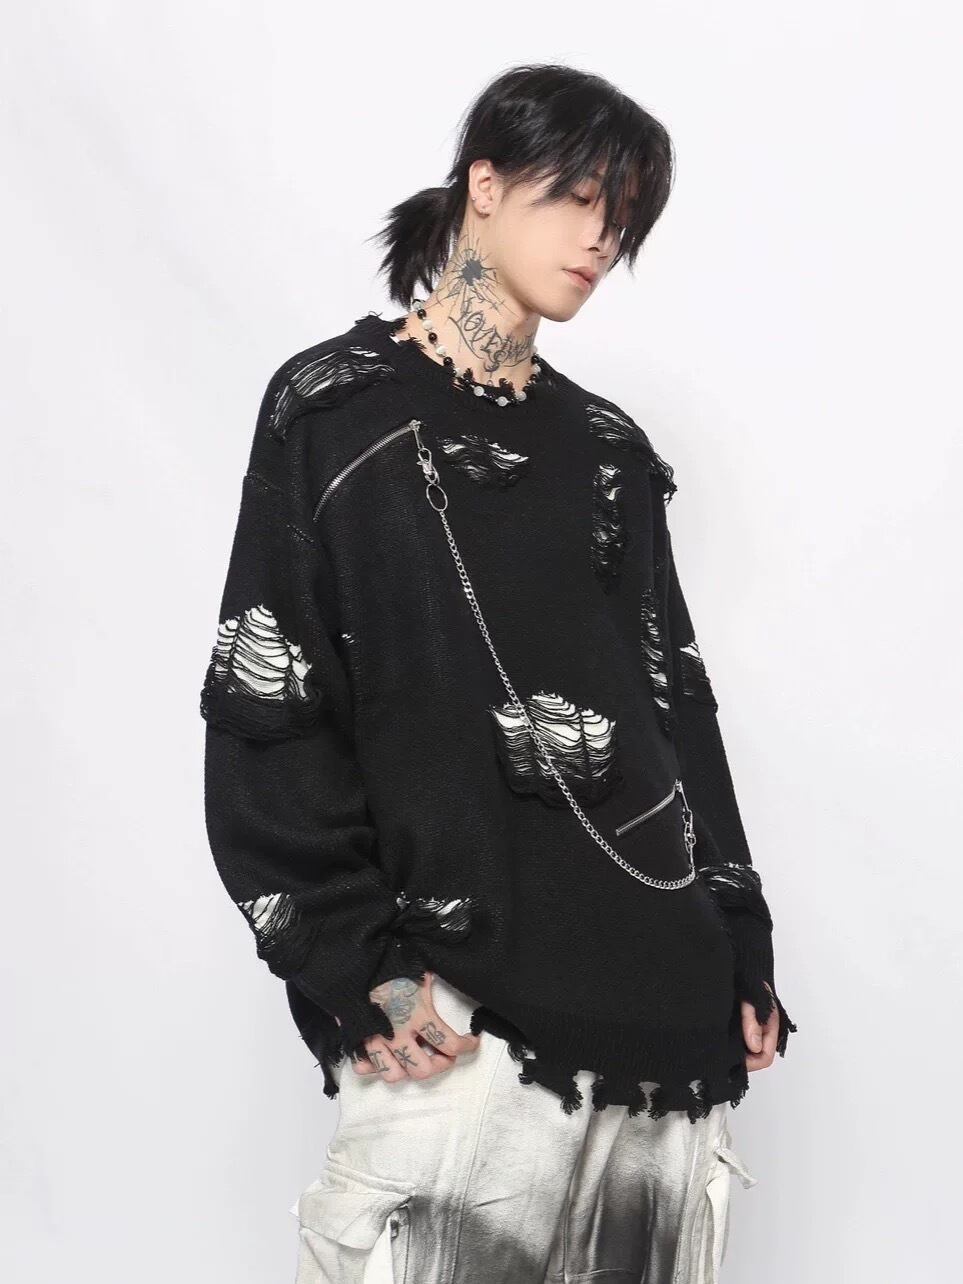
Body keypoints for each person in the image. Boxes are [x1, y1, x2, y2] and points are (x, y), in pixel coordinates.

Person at [199, 62, 797, 1283]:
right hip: (458, 1022)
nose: (601, 239)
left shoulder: (611, 454)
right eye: (577, 198)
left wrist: (740, 933)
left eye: (622, 216)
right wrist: (357, 962)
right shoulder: (337, 412)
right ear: (483, 184)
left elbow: (673, 705)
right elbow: (270, 702)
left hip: (661, 1025)